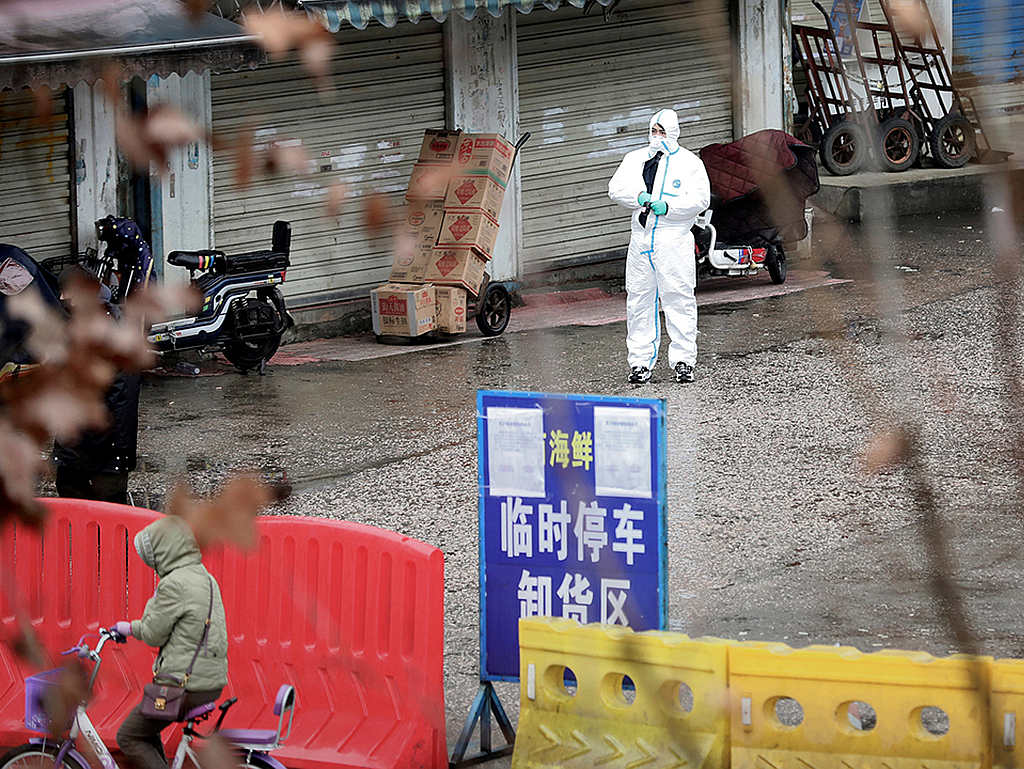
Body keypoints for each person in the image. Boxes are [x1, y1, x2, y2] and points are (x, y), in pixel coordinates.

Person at [115, 515, 229, 769]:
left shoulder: (174, 584)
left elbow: (154, 634)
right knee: (147, 729)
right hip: (210, 683)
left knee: (129, 736)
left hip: (183, 686)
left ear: (164, 552)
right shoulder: (205, 577)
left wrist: (128, 628)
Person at [608, 109, 711, 384]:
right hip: (641, 239)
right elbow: (616, 188)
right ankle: (640, 363)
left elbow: (701, 199)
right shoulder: (636, 159)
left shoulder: (689, 163)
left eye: (662, 131)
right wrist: (638, 196)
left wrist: (670, 208)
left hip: (673, 239)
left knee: (678, 299)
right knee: (639, 300)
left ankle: (683, 361)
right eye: (654, 131)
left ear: (674, 132)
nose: (657, 137)